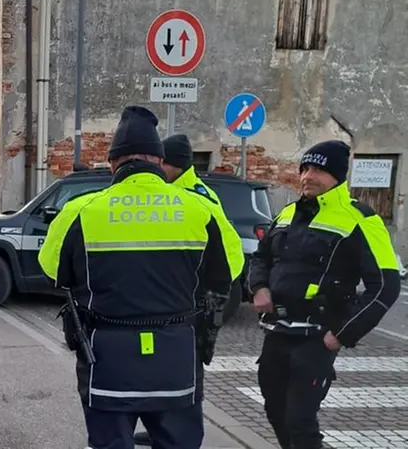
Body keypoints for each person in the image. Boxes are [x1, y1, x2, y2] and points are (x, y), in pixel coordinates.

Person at [38, 106, 236, 449]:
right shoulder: (200, 209)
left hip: (107, 358)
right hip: (177, 356)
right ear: (158, 161)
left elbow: (53, 271)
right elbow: (227, 272)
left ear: (114, 162)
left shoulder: (80, 211)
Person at [249, 140, 400, 449]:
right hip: (277, 332)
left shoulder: (361, 218)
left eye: (318, 169)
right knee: (275, 411)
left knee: (299, 420)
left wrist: (341, 334)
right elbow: (260, 258)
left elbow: (385, 285)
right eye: (305, 168)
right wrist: (259, 287)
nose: (308, 176)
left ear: (337, 175)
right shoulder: (288, 213)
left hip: (318, 337)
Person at [133, 132, 246, 447]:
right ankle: (160, 429)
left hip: (197, 300)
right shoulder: (171, 192)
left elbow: (227, 253)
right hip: (179, 297)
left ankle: (185, 436)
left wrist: (205, 294)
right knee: (161, 370)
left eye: (159, 163)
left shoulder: (197, 197)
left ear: (173, 165)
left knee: (188, 373)